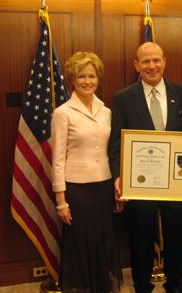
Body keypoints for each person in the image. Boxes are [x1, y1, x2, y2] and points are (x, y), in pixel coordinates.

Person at [109, 42, 182, 293]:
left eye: (156, 60)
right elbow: (116, 143)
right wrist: (118, 176)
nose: (152, 66)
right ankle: (142, 286)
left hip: (176, 183)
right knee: (140, 238)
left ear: (165, 61)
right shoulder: (122, 98)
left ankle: (175, 285)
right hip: (139, 183)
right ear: (136, 65)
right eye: (146, 61)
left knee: (175, 238)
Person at [51, 51, 122, 293]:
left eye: (92, 76)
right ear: (72, 79)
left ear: (98, 78)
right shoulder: (63, 113)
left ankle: (101, 286)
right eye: (82, 76)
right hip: (76, 189)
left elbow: (111, 152)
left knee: (103, 238)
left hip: (103, 186)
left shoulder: (106, 111)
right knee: (80, 242)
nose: (87, 81)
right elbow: (58, 159)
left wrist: (116, 187)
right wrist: (61, 201)